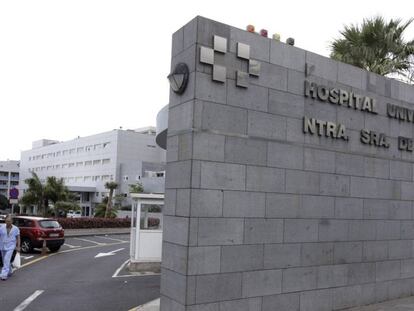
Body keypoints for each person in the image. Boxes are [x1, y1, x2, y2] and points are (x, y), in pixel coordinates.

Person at [0, 215, 20, 280]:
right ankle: (10, 270)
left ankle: (3, 275)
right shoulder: (1, 228)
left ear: (12, 221)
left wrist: (18, 246)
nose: (8, 222)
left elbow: (18, 238)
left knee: (6, 259)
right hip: (2, 246)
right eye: (7, 221)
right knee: (4, 260)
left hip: (11, 246)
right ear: (5, 220)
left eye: (9, 221)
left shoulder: (16, 228)